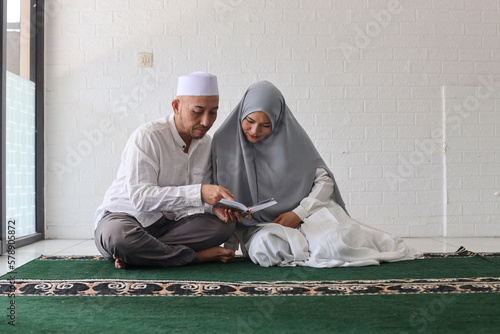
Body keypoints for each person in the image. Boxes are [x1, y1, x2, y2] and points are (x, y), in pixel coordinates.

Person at [212, 81, 422, 267]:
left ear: (276, 122)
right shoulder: (224, 142)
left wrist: (299, 213)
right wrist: (229, 237)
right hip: (262, 226)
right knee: (265, 249)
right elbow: (213, 192)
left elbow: (324, 182)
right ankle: (309, 250)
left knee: (337, 243)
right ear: (241, 112)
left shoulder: (292, 140)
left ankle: (311, 249)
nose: (255, 130)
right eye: (249, 120)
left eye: (266, 125)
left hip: (308, 215)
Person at [95, 71, 241, 269]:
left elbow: (193, 204)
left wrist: (214, 208)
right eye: (197, 112)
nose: (206, 122)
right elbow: (141, 198)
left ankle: (141, 254)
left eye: (213, 112)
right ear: (176, 106)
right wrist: (199, 192)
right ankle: (196, 257)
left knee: (224, 226)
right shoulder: (148, 136)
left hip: (171, 225)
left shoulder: (207, 144)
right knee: (119, 237)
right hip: (126, 216)